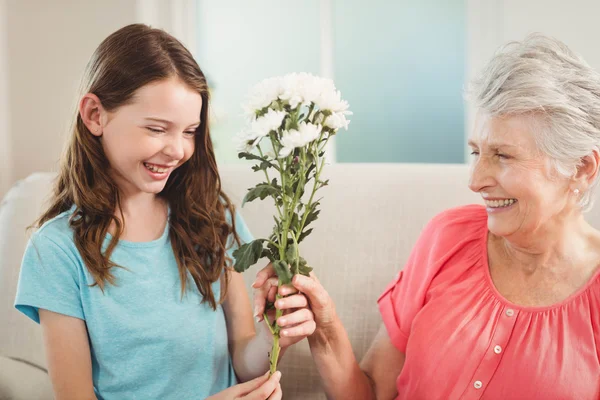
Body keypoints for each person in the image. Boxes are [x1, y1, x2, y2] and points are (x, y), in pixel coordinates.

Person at [254, 33, 600, 399]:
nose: (475, 181)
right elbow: (369, 394)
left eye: (503, 155)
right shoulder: (447, 237)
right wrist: (323, 327)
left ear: (581, 167)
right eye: (476, 152)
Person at [14, 24, 314, 400]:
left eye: (190, 131)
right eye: (157, 128)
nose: (178, 150)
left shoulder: (211, 215)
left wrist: (274, 334)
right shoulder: (56, 251)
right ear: (95, 115)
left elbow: (242, 356)